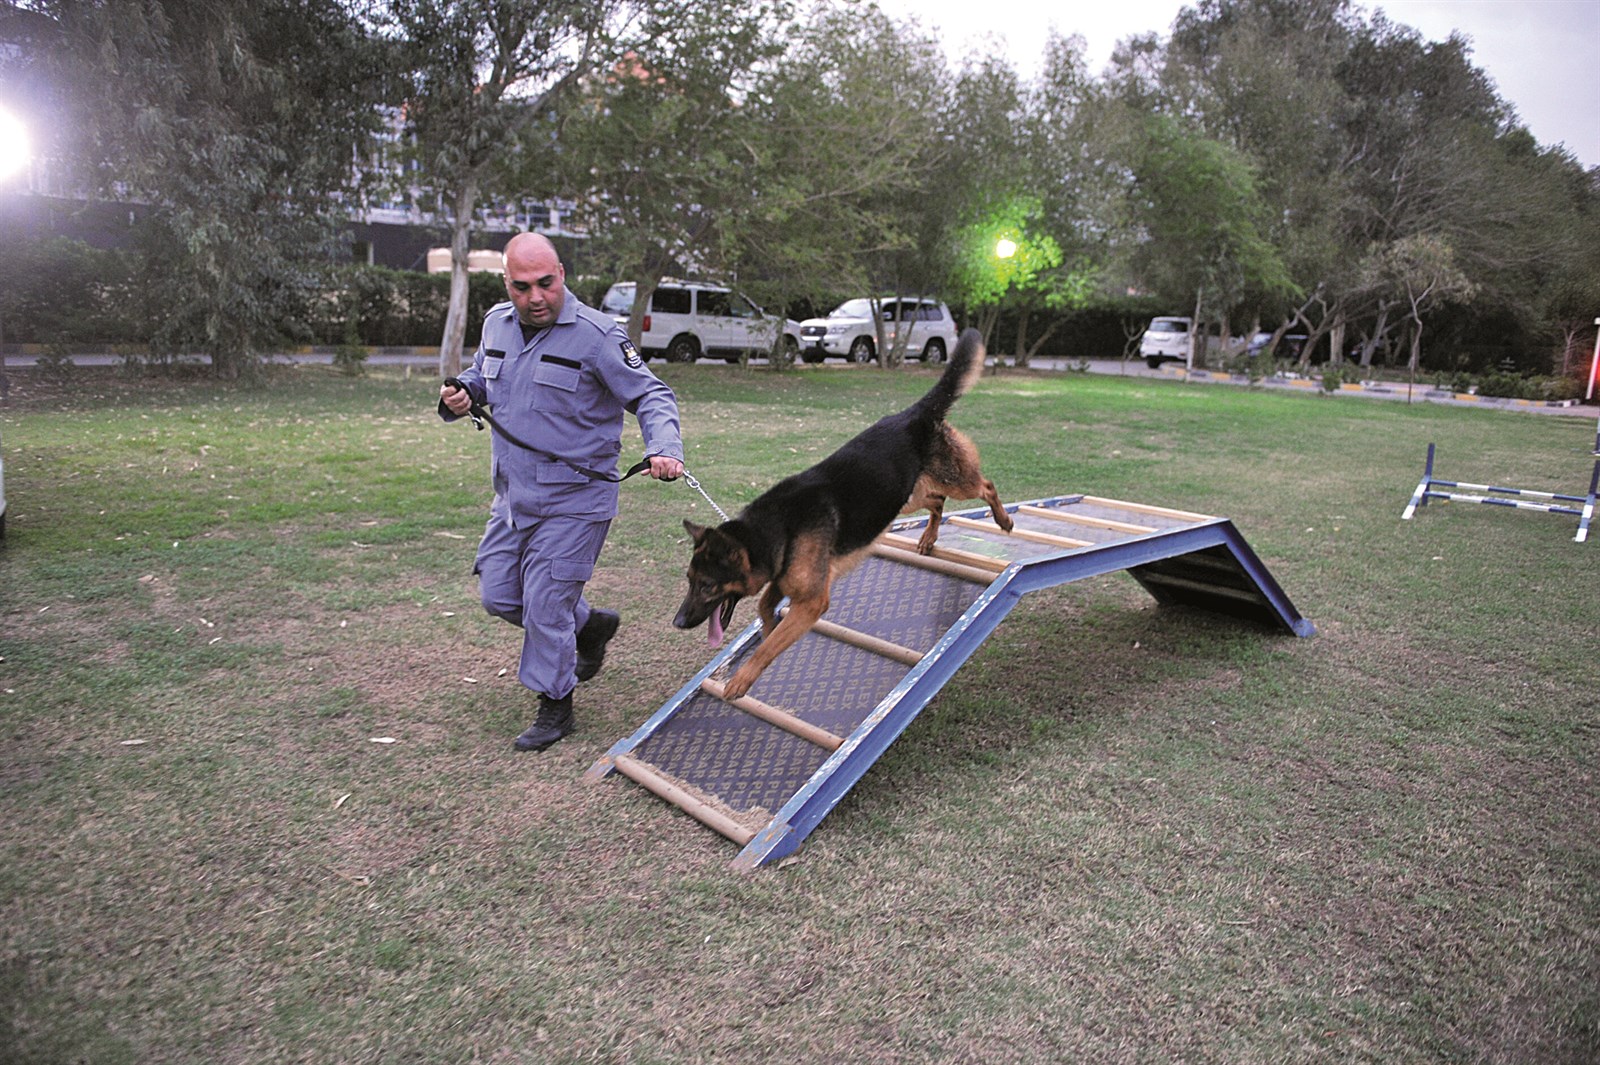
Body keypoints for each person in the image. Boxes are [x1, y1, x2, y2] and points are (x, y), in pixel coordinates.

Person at [439, 233, 684, 752]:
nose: (535, 297)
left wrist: (664, 447)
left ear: (562, 274)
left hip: (576, 499)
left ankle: (555, 703)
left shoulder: (598, 336)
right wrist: (463, 392)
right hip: (514, 496)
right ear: (506, 284)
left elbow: (651, 394)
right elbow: (483, 376)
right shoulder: (496, 323)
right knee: (499, 595)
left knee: (546, 603)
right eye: (521, 286)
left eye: (545, 283)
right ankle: (589, 626)